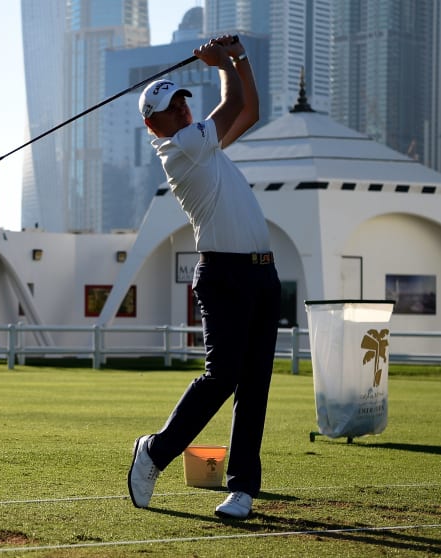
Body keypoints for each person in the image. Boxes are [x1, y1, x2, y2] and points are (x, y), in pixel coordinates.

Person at [128, 35, 281, 519]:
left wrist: (240, 59)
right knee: (223, 377)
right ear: (155, 123)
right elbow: (233, 100)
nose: (183, 111)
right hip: (224, 274)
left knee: (254, 384)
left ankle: (241, 489)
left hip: (261, 274)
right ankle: (155, 451)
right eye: (173, 108)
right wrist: (222, 64)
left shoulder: (204, 147)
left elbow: (250, 111)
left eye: (183, 103)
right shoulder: (179, 149)